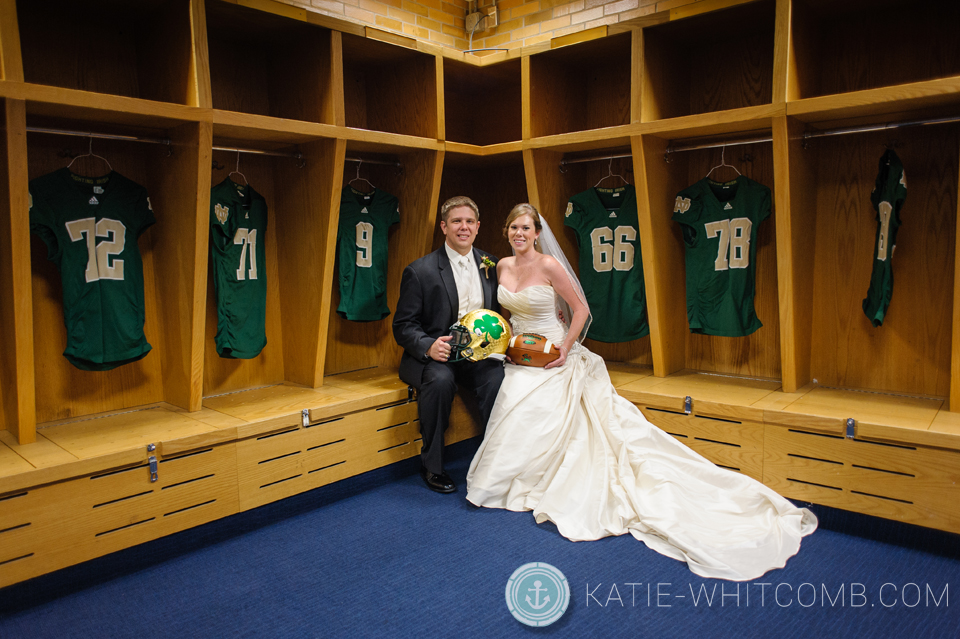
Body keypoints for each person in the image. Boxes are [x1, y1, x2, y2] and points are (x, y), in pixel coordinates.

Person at [466, 203, 817, 581]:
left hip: (553, 355)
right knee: (511, 395)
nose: (519, 234)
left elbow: (581, 309)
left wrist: (565, 348)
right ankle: (519, 475)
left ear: (537, 232)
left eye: (526, 228)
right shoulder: (501, 266)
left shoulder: (550, 266)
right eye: (513, 228)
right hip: (521, 357)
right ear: (506, 232)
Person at [393, 196, 505, 494]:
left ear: (478, 227)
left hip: (477, 356)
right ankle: (432, 466)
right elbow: (402, 326)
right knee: (440, 382)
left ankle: (495, 462)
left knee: (498, 379)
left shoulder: (490, 264)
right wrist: (429, 346)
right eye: (456, 221)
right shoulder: (420, 271)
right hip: (435, 357)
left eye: (469, 222)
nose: (463, 227)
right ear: (444, 227)